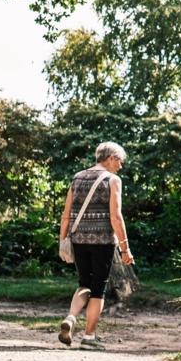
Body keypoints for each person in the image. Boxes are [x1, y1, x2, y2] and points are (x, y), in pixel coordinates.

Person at [57, 143, 134, 348]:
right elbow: (116, 217)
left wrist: (62, 241)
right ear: (110, 158)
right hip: (102, 241)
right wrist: (125, 248)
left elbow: (66, 215)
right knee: (98, 288)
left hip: (78, 239)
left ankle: (71, 317)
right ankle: (89, 337)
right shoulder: (112, 180)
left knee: (84, 283)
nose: (120, 165)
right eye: (119, 160)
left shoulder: (77, 178)